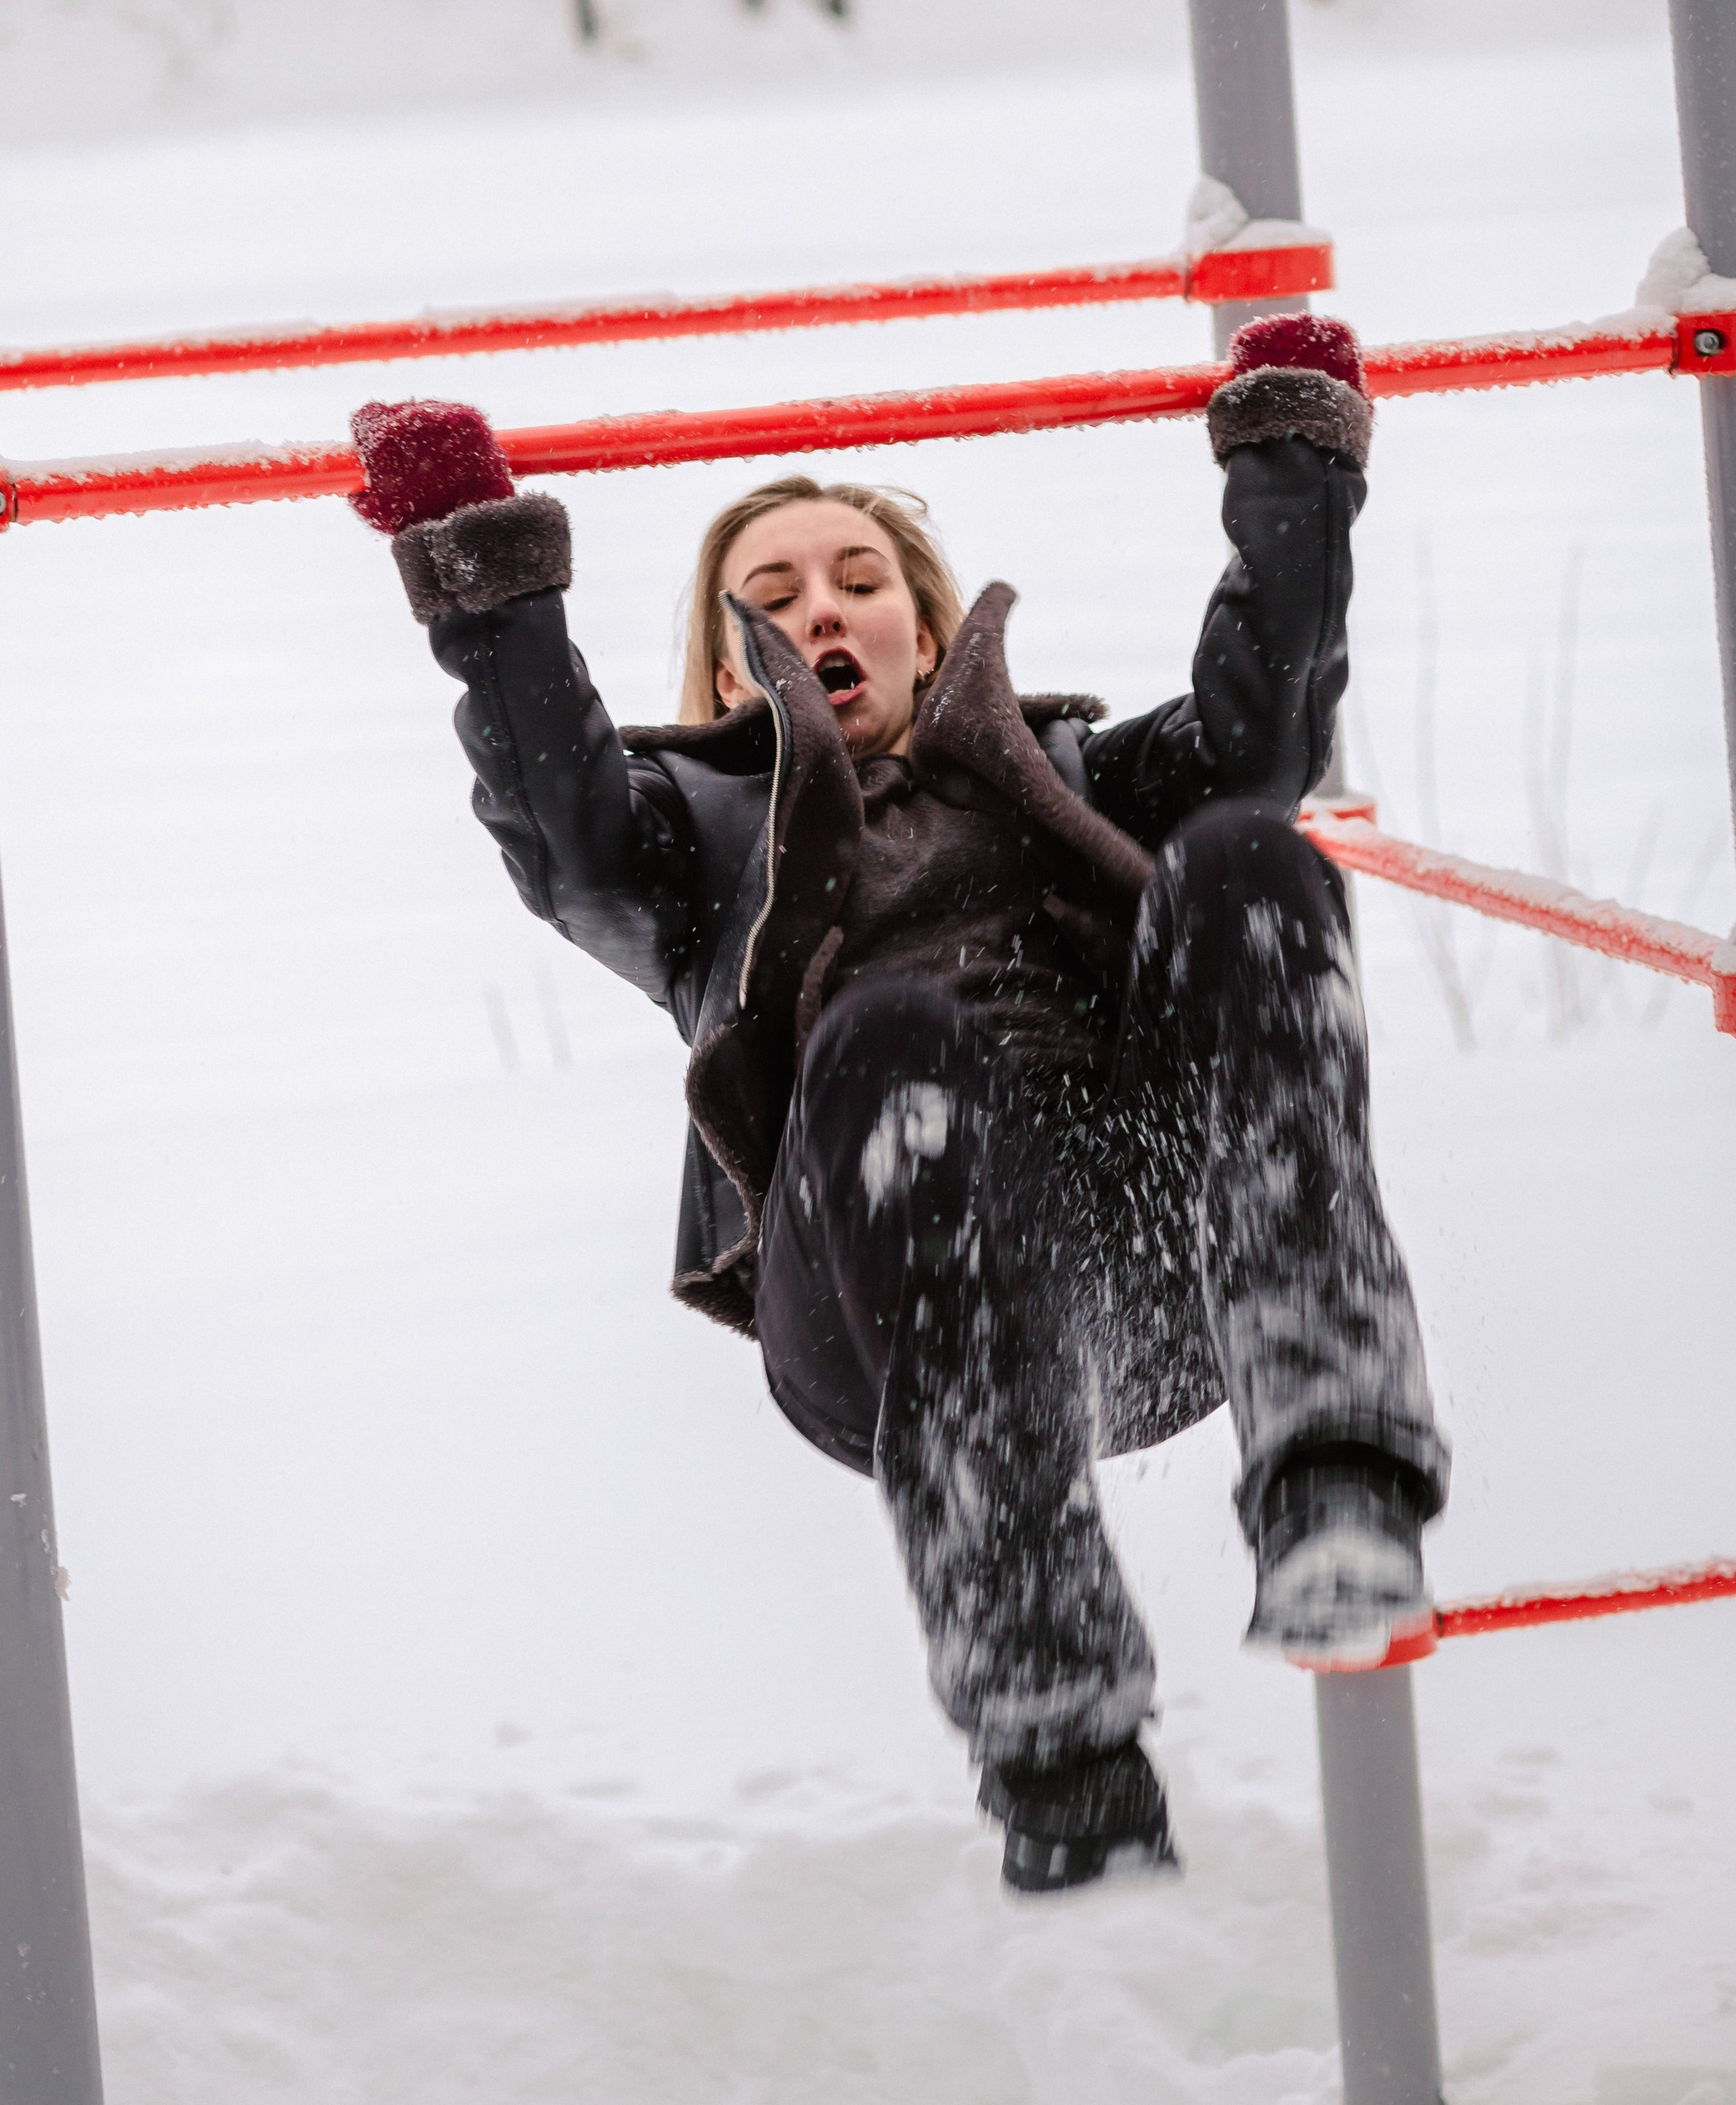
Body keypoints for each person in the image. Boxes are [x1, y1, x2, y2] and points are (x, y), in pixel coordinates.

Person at [349, 314, 1448, 1892]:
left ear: (928, 632)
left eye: (859, 579)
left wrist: (1290, 460)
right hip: (885, 1289)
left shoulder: (1067, 766)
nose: (823, 609)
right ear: (732, 667)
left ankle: (1337, 1474)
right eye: (776, 598)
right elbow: (563, 827)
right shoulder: (693, 834)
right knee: (890, 1038)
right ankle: (1055, 1729)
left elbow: (1261, 737)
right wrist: (483, 571)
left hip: (1151, 1260)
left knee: (1251, 858)